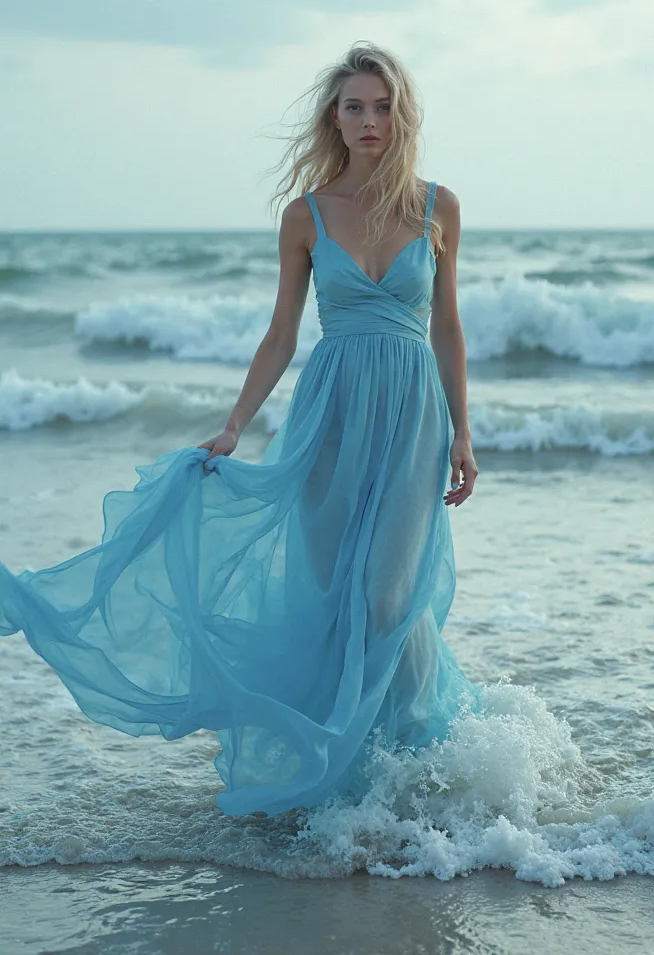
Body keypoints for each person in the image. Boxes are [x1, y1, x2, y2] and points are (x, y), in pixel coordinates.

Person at [0, 41, 483, 819]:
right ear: (335, 117)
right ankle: (360, 773)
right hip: (328, 417)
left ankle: (427, 757)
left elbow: (449, 329)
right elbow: (281, 336)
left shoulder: (438, 206)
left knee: (390, 597)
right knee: (333, 595)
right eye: (354, 106)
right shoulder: (306, 215)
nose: (370, 121)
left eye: (383, 106)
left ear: (403, 115)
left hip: (412, 416)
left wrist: (463, 433)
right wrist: (232, 427)